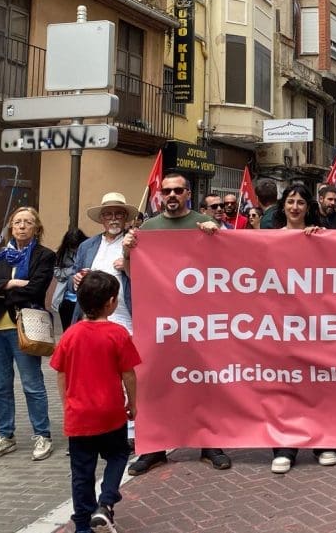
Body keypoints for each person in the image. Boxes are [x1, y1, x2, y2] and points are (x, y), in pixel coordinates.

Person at [124, 173, 231, 475]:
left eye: (178, 190)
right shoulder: (148, 228)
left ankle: (210, 444)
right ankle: (154, 449)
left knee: (205, 382)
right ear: (160, 195)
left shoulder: (204, 223)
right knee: (156, 382)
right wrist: (127, 249)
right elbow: (134, 275)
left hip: (201, 322)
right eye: (166, 190)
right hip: (161, 323)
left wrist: (218, 235)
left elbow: (228, 268)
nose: (171, 195)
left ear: (188, 194)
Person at [50, 271, 140, 533]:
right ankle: (107, 501)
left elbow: (61, 372)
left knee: (81, 471)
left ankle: (82, 525)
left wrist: (66, 403)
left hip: (79, 415)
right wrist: (133, 403)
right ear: (111, 302)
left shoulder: (71, 335)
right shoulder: (118, 333)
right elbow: (129, 374)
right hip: (110, 411)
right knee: (118, 453)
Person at [267, 184, 336, 473]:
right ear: (283, 206)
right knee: (284, 385)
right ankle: (285, 446)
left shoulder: (322, 238)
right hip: (280, 325)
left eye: (300, 202)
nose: (295, 207)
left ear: (309, 207)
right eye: (290, 202)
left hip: (315, 324)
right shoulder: (266, 240)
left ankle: (324, 442)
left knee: (318, 383)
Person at [0, 206, 56, 461]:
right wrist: (10, 283)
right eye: (17, 222)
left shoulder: (44, 256)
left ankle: (42, 435)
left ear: (37, 228)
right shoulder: (0, 256)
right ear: (11, 227)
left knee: (32, 385)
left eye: (27, 222)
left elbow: (35, 290)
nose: (21, 226)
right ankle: (5, 436)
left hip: (26, 327)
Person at [72, 193, 139, 333]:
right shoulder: (86, 246)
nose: (113, 219)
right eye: (108, 214)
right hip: (91, 321)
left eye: (119, 214)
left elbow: (147, 280)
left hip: (127, 320)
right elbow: (72, 277)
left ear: (126, 217)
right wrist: (75, 281)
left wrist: (128, 263)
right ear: (101, 219)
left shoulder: (135, 243)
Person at [51, 228, 87, 333]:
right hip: (66, 297)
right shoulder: (62, 253)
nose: (74, 250)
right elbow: (57, 273)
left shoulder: (89, 249)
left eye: (77, 246)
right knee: (67, 332)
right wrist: (73, 270)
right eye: (72, 247)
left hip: (84, 298)